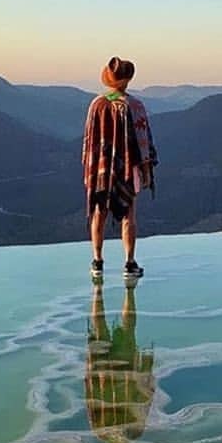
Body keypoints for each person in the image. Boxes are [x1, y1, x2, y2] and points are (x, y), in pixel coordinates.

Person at [81, 56, 157, 283]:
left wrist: (90, 165)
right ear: (127, 80)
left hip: (102, 167)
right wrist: (145, 169)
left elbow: (89, 138)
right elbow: (143, 139)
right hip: (128, 168)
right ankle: (129, 263)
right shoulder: (135, 106)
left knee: (98, 211)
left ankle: (97, 260)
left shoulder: (97, 104)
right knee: (129, 213)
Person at [84, 283, 156, 443]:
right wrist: (146, 371)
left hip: (104, 375)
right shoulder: (134, 433)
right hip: (123, 375)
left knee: (102, 330)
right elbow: (144, 400)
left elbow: (91, 400)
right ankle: (125, 290)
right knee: (125, 329)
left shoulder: (101, 434)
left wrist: (90, 371)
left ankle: (100, 290)